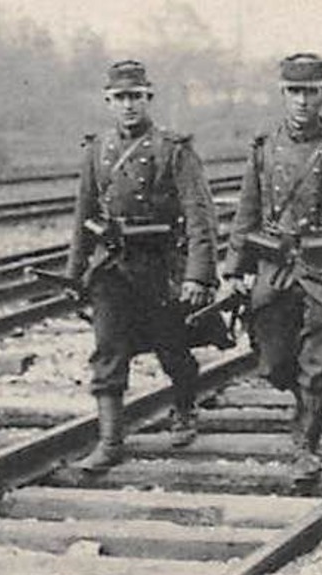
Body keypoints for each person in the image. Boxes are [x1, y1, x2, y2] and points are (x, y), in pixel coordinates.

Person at [228, 53, 322, 484]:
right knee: (275, 361)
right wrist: (234, 270)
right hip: (275, 269)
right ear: (283, 95)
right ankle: (303, 406)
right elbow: (246, 215)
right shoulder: (263, 150)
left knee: (319, 364)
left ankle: (305, 446)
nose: (302, 101)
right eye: (294, 92)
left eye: (310, 92)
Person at [66, 60, 218, 471]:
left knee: (172, 348)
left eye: (136, 97)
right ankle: (110, 442)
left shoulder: (174, 150)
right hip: (112, 268)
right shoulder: (97, 150)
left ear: (149, 98)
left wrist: (198, 274)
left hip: (160, 266)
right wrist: (74, 272)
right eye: (120, 98)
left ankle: (185, 408)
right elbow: (82, 215)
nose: (129, 106)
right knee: (108, 350)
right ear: (108, 101)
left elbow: (200, 215)